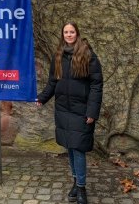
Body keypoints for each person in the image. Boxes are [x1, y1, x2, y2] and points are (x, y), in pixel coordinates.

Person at [36, 23, 103, 204]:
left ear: (77, 33)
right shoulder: (58, 55)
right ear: (63, 35)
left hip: (81, 111)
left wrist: (92, 112)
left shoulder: (88, 55)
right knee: (71, 148)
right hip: (63, 110)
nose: (69, 34)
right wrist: (42, 98)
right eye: (66, 32)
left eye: (72, 32)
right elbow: (53, 81)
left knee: (78, 148)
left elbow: (96, 85)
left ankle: (81, 188)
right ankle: (75, 182)